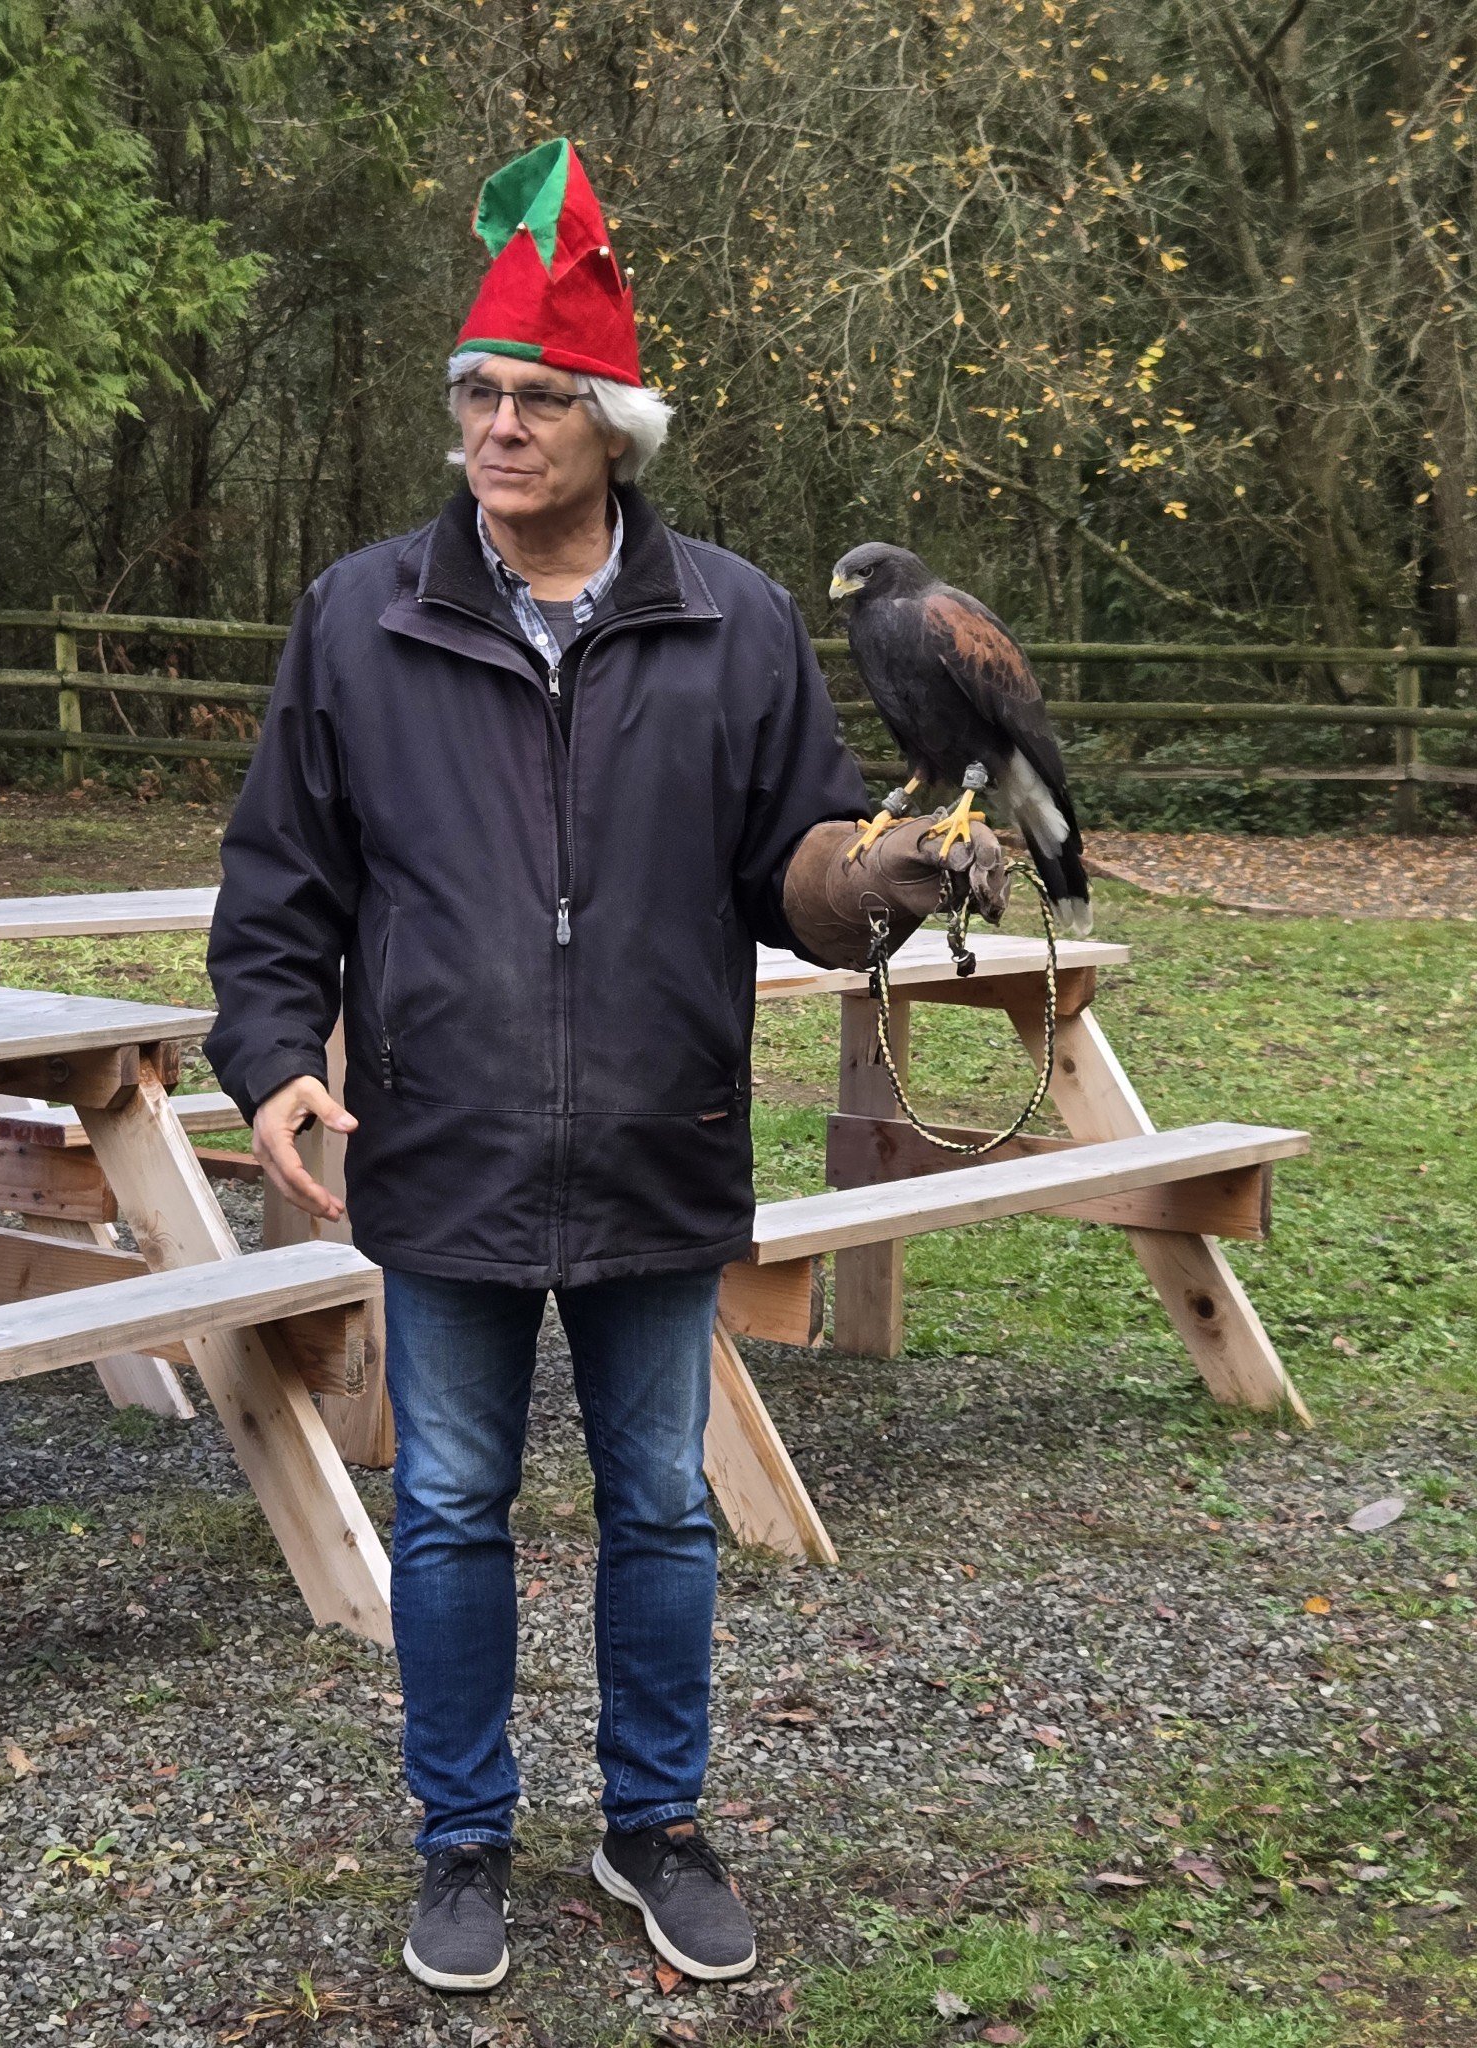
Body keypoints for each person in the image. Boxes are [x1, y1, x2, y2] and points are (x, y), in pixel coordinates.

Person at [205, 137, 981, 1995]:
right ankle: (459, 1840)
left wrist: (870, 878)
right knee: (453, 1508)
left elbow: (791, 867)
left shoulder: (732, 624)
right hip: (447, 1147)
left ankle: (658, 1827)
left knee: (656, 1506)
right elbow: (281, 880)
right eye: (476, 393)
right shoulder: (359, 617)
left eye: (538, 399)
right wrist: (271, 1065)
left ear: (611, 429)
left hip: (655, 1141)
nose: (496, 427)